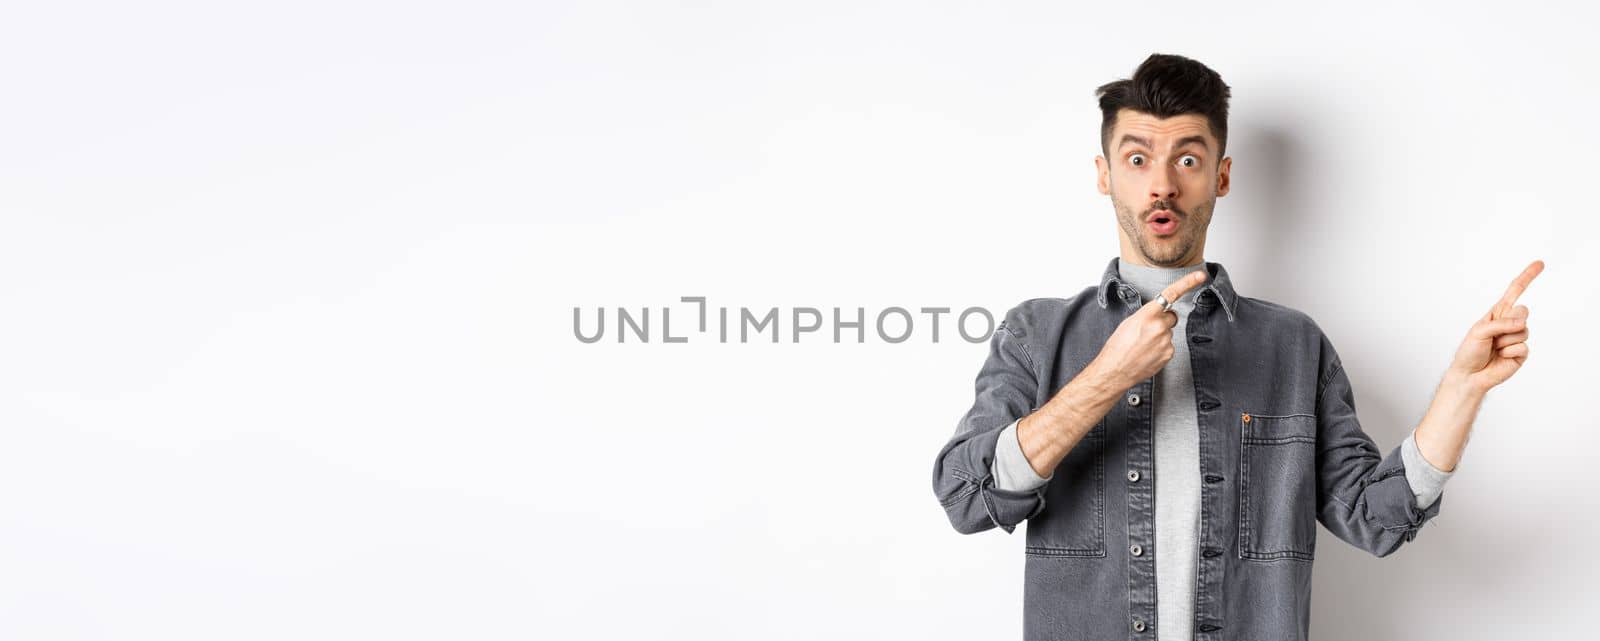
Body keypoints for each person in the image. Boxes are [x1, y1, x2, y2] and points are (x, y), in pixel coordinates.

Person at [929, 53, 1542, 641]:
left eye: (1188, 160)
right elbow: (965, 497)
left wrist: (1462, 389)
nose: (1162, 185)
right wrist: (1105, 379)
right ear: (1104, 174)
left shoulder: (1294, 346)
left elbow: (1374, 519)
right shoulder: (1036, 336)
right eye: (1137, 159)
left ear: (1221, 177)